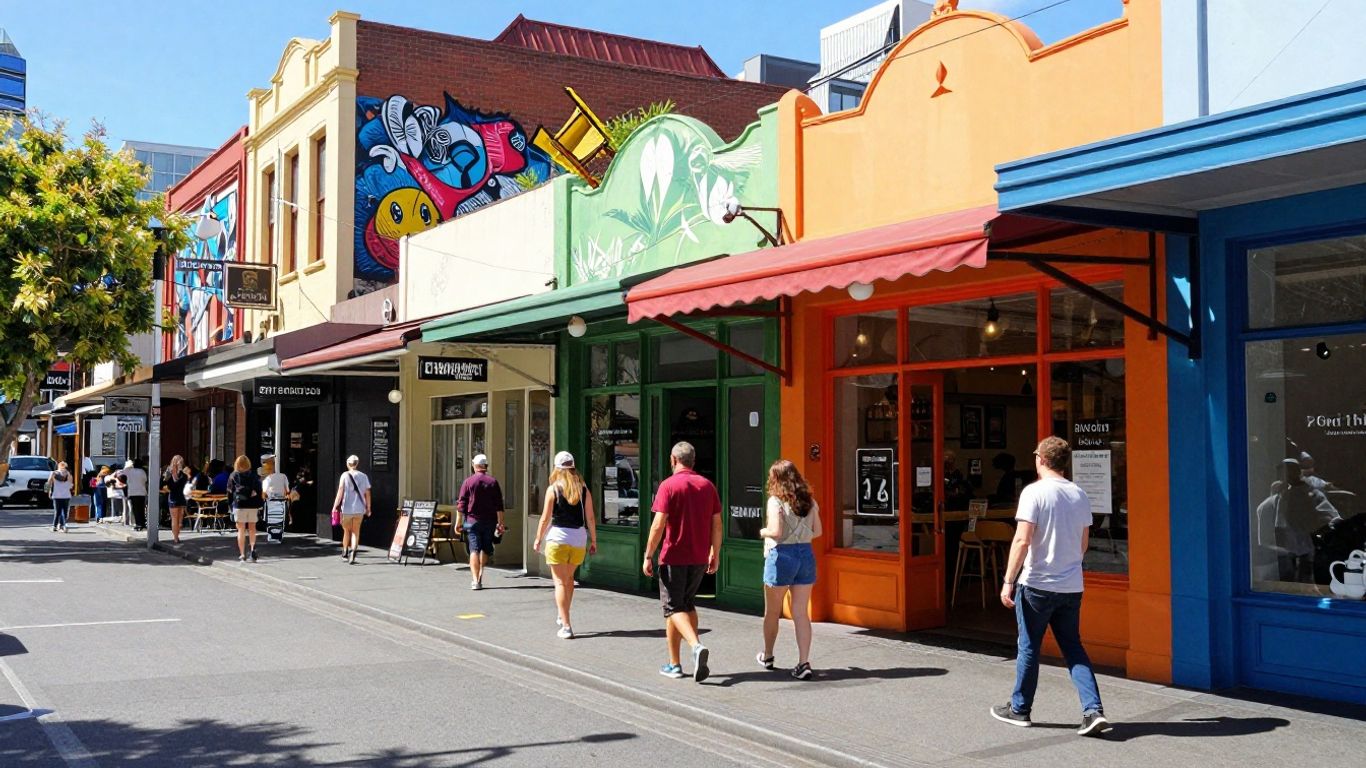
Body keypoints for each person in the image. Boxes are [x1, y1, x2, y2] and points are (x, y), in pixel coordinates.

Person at [992, 436, 1110, 736]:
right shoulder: (1079, 494)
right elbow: (1083, 543)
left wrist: (1008, 581)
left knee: (1029, 646)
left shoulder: (1034, 493)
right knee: (1073, 647)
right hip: (1071, 586)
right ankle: (1093, 710)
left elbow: (1022, 540)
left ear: (1041, 459)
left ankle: (1020, 709)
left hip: (1037, 585)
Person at [643, 441, 721, 682]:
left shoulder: (668, 486)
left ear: (673, 460)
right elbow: (717, 524)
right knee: (685, 605)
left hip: (674, 556)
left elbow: (658, 524)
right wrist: (715, 552)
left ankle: (696, 646)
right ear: (693, 461)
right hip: (699, 556)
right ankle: (674, 663)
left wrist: (648, 554)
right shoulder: (707, 486)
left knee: (673, 607)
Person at [758, 459, 822, 680]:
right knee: (801, 613)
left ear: (776, 479)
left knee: (772, 612)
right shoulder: (810, 501)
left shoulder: (775, 501)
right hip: (805, 555)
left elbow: (775, 531)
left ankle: (768, 655)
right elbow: (818, 531)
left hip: (782, 555)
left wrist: (763, 531)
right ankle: (804, 662)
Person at [533, 451, 597, 638]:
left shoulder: (553, 489)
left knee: (560, 583)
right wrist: (594, 540)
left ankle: (566, 626)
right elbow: (591, 518)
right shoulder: (582, 489)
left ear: (557, 468)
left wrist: (538, 538)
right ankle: (563, 616)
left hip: (558, 538)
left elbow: (545, 518)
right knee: (568, 580)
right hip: (578, 539)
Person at [455, 454, 506, 590]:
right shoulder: (493, 482)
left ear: (474, 466)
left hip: (470, 521)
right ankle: (480, 574)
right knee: (485, 548)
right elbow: (499, 505)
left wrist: (458, 522)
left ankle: (474, 580)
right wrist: (500, 523)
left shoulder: (468, 482)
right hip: (489, 521)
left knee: (473, 549)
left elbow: (461, 504)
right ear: (486, 466)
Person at [331, 455, 371, 564]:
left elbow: (340, 491)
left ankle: (344, 551)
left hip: (347, 508)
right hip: (359, 509)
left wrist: (335, 506)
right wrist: (368, 508)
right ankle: (353, 552)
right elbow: (367, 493)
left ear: (348, 464)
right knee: (355, 532)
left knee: (346, 531)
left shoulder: (344, 475)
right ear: (357, 463)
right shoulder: (364, 476)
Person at [227, 455, 263, 563]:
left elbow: (229, 492)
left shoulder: (233, 476)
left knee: (241, 530)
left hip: (239, 505)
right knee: (252, 528)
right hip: (252, 505)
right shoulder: (253, 475)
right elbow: (259, 489)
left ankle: (242, 554)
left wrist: (230, 505)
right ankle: (252, 550)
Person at [163, 455, 188, 544]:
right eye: (179, 462)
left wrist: (174, 475)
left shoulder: (182, 474)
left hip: (178, 497)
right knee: (175, 518)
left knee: (179, 519)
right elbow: (170, 484)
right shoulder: (170, 473)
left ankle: (176, 536)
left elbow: (178, 483)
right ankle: (176, 537)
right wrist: (172, 475)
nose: (180, 463)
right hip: (175, 496)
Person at [120, 459, 149, 531]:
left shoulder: (129, 471)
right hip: (142, 492)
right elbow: (145, 480)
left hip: (133, 492)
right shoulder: (142, 471)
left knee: (135, 509)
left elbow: (121, 475)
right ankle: (142, 524)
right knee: (141, 509)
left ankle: (138, 524)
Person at [47, 461, 75, 532]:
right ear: (66, 466)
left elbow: (48, 483)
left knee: (57, 511)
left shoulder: (53, 473)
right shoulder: (68, 474)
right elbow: (71, 486)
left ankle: (54, 526)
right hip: (66, 495)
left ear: (58, 466)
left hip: (56, 495)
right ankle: (63, 525)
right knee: (65, 512)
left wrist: (49, 491)